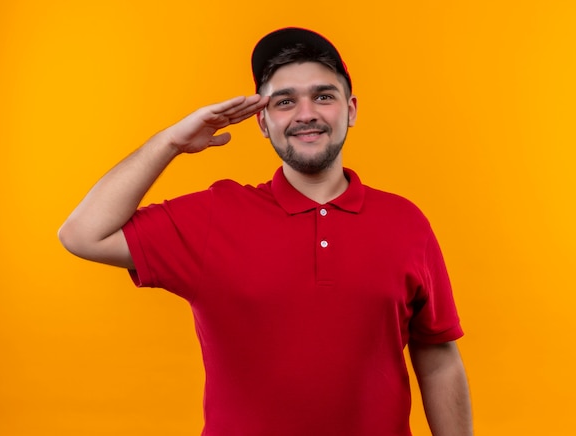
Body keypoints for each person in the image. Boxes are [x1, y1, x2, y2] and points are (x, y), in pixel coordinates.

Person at [59, 27, 473, 436]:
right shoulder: (214, 216)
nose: (306, 113)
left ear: (351, 109)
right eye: (285, 101)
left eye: (323, 96)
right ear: (261, 121)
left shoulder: (405, 222)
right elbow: (82, 234)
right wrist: (171, 142)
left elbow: (437, 354)